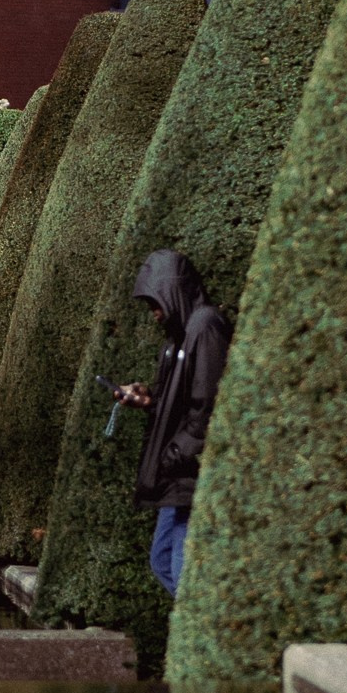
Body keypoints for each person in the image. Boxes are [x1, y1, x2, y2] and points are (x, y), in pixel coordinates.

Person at [114, 250, 232, 600]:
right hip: (176, 476)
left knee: (182, 574)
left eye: (155, 303)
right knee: (163, 562)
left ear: (172, 292)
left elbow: (208, 404)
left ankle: (199, 649)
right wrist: (148, 399)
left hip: (189, 473)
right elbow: (178, 399)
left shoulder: (204, 326)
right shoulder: (180, 336)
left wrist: (177, 452)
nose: (154, 314)